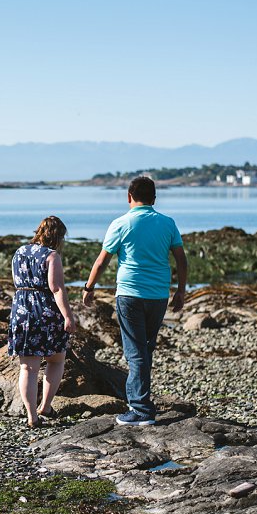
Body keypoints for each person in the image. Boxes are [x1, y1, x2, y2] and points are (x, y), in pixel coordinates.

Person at [82, 176, 187, 426]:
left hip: (130, 293)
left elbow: (102, 261)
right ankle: (142, 401)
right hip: (158, 295)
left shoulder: (121, 223)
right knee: (145, 349)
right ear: (154, 198)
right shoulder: (167, 223)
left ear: (129, 197)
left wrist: (89, 287)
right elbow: (181, 260)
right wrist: (180, 291)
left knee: (135, 352)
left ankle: (140, 410)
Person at [7, 216, 77, 427]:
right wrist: (68, 316)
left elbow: (16, 280)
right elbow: (56, 288)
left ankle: (31, 416)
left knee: (28, 368)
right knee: (56, 359)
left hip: (21, 309)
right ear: (58, 236)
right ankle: (45, 406)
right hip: (45, 311)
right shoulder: (51, 256)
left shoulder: (19, 252)